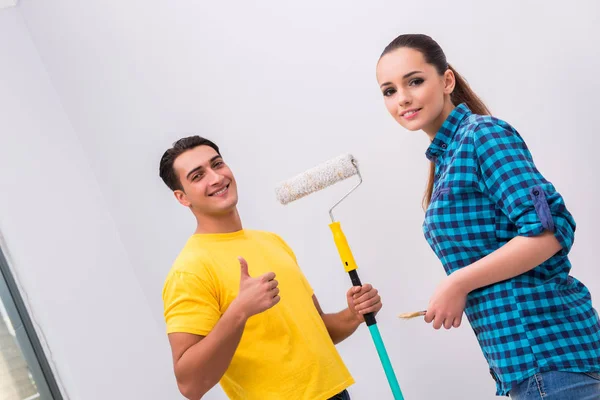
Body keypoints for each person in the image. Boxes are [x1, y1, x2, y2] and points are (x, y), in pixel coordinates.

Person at [375, 33, 600, 399]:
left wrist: (457, 283)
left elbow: (551, 229)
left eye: (414, 81)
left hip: (548, 353)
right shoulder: (447, 159)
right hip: (525, 365)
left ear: (446, 81)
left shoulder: (482, 136)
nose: (403, 98)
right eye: (389, 90)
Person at [158, 136, 383, 400]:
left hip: (336, 393)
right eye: (198, 176)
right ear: (182, 197)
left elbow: (320, 329)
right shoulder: (190, 270)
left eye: (217, 164)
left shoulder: (271, 242)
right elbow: (190, 385)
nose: (216, 178)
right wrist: (240, 310)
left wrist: (353, 314)